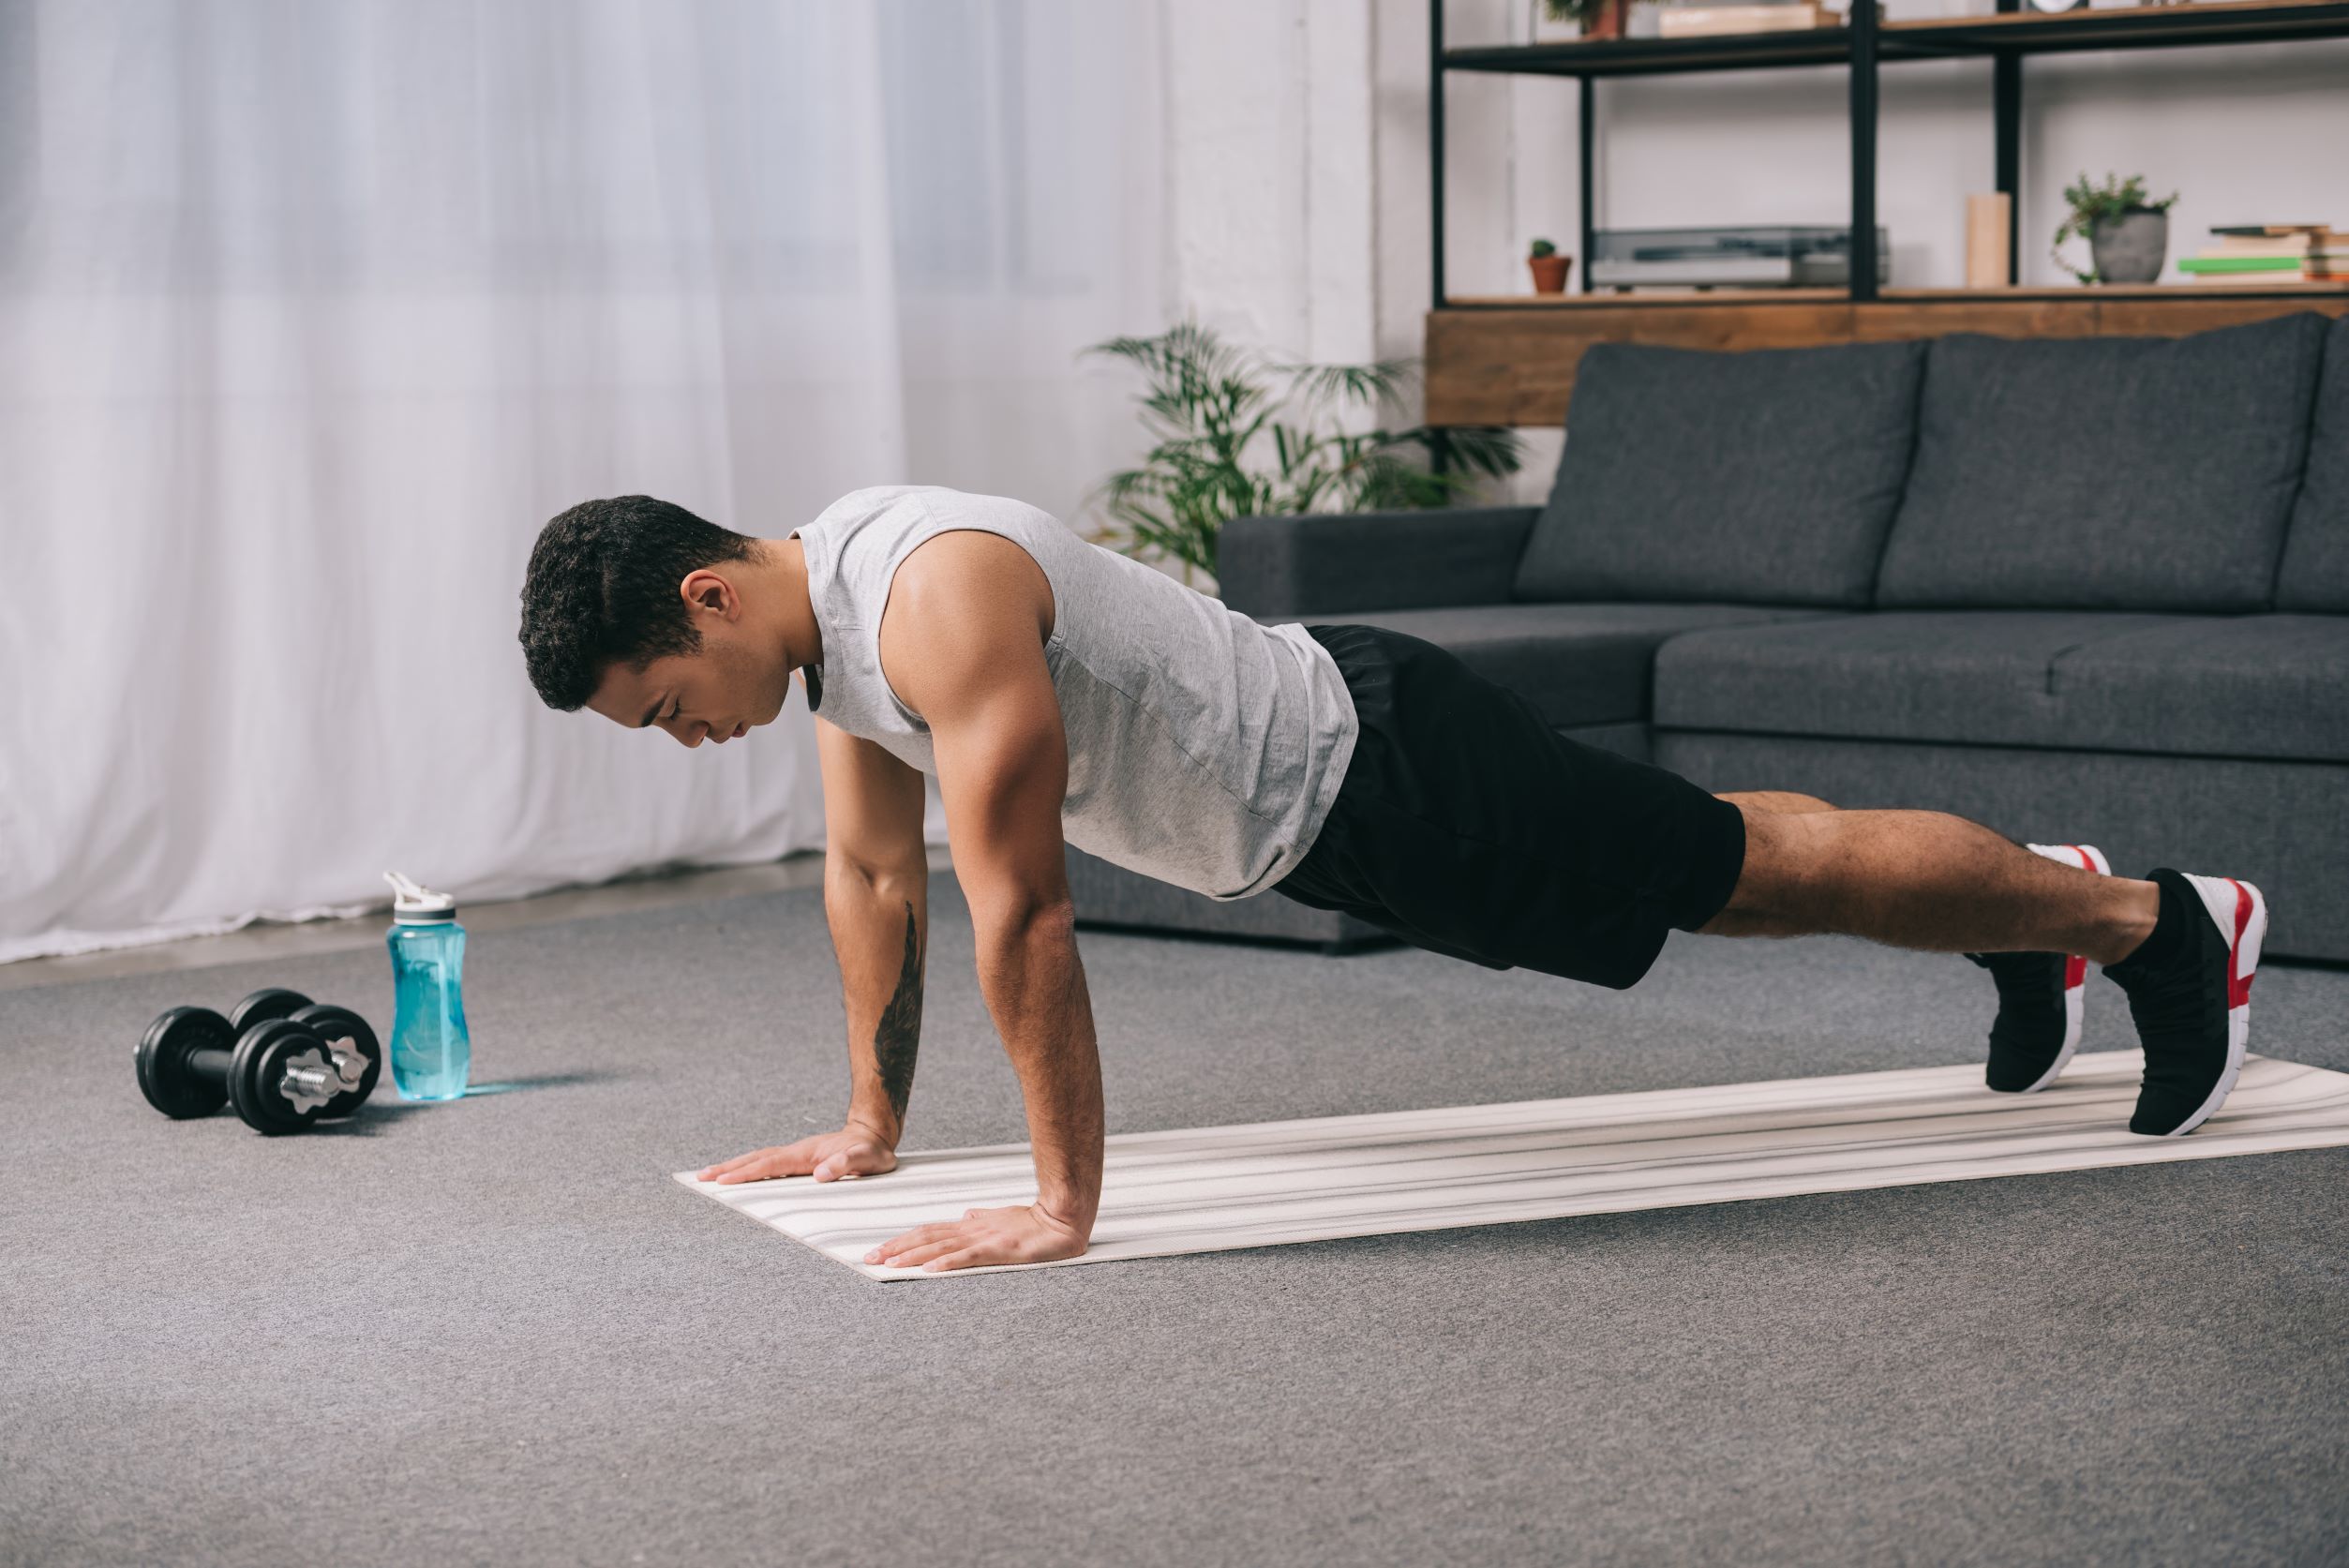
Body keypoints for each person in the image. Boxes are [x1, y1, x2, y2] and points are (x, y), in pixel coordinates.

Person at [517, 487, 2268, 1274]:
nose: (686, 741)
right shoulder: (830, 640)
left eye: (667, 711)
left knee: (1745, 872)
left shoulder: (932, 598)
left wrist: (1061, 1205)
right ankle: (2037, 915)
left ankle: (2140, 918)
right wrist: (869, 1122)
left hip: (1386, 761)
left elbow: (1022, 909)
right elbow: (877, 881)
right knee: (1730, 870)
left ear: (706, 603)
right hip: (1334, 812)